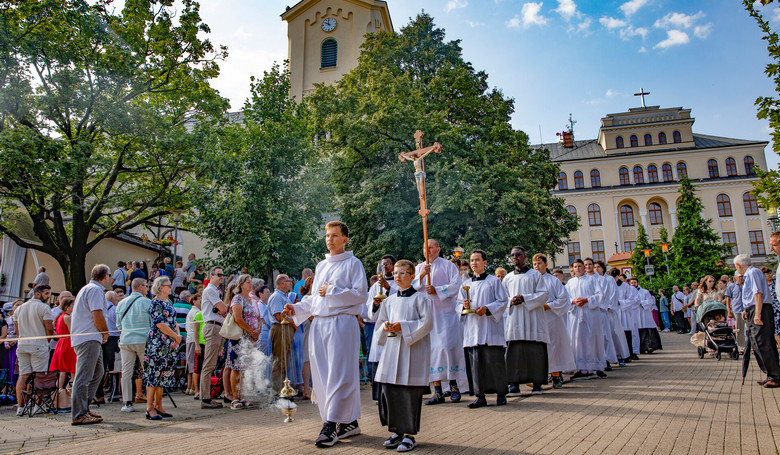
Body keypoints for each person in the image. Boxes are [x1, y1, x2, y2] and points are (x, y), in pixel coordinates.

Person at [283, 221, 368, 448]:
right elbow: (315, 298)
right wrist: (297, 308)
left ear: (344, 239)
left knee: (339, 375)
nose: (329, 239)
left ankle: (330, 425)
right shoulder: (321, 266)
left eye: (334, 235)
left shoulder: (353, 263)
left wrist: (331, 291)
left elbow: (360, 295)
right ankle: (348, 421)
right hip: (320, 324)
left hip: (342, 324)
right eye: (327, 236)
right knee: (321, 375)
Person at [372, 259, 433, 452]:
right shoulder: (389, 300)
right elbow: (380, 323)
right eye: (395, 273)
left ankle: (409, 435)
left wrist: (404, 326)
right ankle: (396, 431)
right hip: (391, 350)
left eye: (402, 273)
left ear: (412, 276)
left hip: (411, 351)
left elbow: (427, 324)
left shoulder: (420, 299)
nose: (397, 277)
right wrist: (387, 326)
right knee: (390, 391)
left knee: (408, 393)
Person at [411, 239, 465, 405]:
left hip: (444, 313)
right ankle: (438, 390)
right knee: (432, 351)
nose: (427, 250)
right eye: (425, 248)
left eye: (431, 247)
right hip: (427, 313)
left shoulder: (448, 265)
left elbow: (456, 285)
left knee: (447, 348)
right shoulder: (420, 267)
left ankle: (454, 387)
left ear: (438, 249)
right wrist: (421, 275)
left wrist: (438, 290)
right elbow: (412, 287)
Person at [458, 250, 509, 407]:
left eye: (477, 260)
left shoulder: (494, 281)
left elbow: (502, 301)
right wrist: (463, 306)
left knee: (494, 362)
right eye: (472, 260)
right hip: (472, 328)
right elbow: (458, 304)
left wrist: (487, 309)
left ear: (485, 262)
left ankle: (501, 394)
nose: (474, 263)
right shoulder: (465, 284)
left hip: (489, 327)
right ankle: (480, 395)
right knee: (476, 364)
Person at [502, 246, 549, 394]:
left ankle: (537, 384)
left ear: (525, 256)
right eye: (513, 255)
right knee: (514, 354)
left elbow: (544, 294)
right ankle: (514, 384)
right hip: (514, 320)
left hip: (532, 319)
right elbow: (502, 299)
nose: (515, 257)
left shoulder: (535, 275)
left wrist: (525, 298)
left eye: (518, 255)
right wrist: (511, 300)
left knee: (535, 353)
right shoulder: (508, 278)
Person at [70, 264, 110, 425]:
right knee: (84, 375)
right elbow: (97, 313)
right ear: (106, 276)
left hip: (89, 337)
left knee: (98, 372)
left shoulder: (87, 288)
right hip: (88, 337)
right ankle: (79, 413)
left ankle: (84, 408)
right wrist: (105, 331)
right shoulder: (95, 290)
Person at [734, 254, 780, 388]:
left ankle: (775, 376)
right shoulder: (751, 273)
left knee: (763, 343)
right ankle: (771, 374)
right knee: (756, 343)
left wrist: (757, 314)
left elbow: (758, 293)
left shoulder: (753, 273)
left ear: (738, 266)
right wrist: (746, 310)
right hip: (753, 309)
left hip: (760, 309)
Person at [534, 254, 575, 388]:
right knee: (538, 348)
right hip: (536, 319)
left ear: (546, 265)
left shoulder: (553, 281)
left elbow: (563, 299)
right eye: (534, 264)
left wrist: (548, 306)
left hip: (552, 318)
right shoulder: (530, 281)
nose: (537, 266)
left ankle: (556, 375)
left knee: (554, 348)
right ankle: (538, 377)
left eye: (539, 263)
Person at [14, 284, 55, 415]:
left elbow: (17, 331)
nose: (48, 297)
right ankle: (37, 406)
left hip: (23, 344)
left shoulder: (19, 309)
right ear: (38, 294)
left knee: (23, 375)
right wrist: (47, 339)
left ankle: (21, 407)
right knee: (39, 376)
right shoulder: (44, 308)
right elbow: (49, 329)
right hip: (39, 345)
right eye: (46, 293)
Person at [143, 276, 181, 420]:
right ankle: (149, 407)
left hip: (170, 343)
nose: (171, 287)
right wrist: (175, 336)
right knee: (153, 374)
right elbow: (160, 324)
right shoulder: (155, 303)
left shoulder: (169, 302)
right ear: (160, 287)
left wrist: (177, 336)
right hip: (157, 343)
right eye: (169, 285)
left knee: (164, 374)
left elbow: (173, 321)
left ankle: (158, 405)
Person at [116, 278, 152, 412]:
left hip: (126, 340)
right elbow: (152, 322)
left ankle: (127, 402)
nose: (148, 288)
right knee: (148, 370)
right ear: (140, 287)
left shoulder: (121, 303)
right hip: (143, 339)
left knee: (126, 372)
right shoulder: (147, 302)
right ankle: (150, 401)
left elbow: (118, 325)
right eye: (146, 286)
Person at [566, 259, 606, 379]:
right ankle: (581, 368)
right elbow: (565, 297)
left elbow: (600, 296)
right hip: (576, 314)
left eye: (580, 266)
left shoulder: (592, 280)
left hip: (590, 313)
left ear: (584, 268)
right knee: (577, 339)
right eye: (575, 266)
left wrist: (587, 300)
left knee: (592, 338)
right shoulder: (570, 282)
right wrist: (573, 301)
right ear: (572, 269)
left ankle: (597, 366)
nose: (577, 269)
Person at [225, 274, 261, 410]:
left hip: (251, 337)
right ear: (241, 285)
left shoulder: (252, 299)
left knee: (245, 368)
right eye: (247, 282)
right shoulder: (237, 298)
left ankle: (242, 395)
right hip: (239, 337)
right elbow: (238, 318)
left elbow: (258, 317)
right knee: (236, 367)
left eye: (251, 281)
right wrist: (251, 331)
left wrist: (257, 330)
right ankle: (235, 397)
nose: (250, 284)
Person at [364, 255, 398, 395]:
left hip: (395, 326)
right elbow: (369, 311)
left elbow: (402, 299)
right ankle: (380, 395)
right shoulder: (375, 287)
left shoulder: (399, 282)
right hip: (380, 326)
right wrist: (375, 304)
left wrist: (389, 289)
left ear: (394, 265)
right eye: (383, 264)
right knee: (380, 360)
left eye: (388, 264)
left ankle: (395, 393)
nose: (385, 267)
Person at [199, 266, 227, 409]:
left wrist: (222, 309)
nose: (221, 277)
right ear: (211, 276)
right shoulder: (210, 290)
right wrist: (222, 309)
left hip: (216, 326)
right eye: (219, 275)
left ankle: (207, 396)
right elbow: (223, 309)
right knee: (209, 363)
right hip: (212, 326)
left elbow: (222, 309)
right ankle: (205, 397)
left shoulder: (215, 291)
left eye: (222, 275)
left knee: (211, 362)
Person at [586, 258, 618, 369]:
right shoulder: (584, 279)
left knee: (604, 336)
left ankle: (606, 359)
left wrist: (600, 305)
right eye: (587, 265)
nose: (589, 267)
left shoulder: (601, 279)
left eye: (591, 264)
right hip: (588, 311)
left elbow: (604, 295)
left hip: (600, 310)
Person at [268, 274, 296, 391]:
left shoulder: (285, 296)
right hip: (280, 329)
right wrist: (293, 322)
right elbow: (279, 316)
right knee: (279, 360)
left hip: (286, 329)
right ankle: (277, 390)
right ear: (282, 283)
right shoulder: (276, 297)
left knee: (284, 360)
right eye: (289, 281)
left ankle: (284, 388)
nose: (290, 283)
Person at [93, 289, 122, 404]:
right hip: (113, 340)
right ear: (112, 299)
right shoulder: (115, 309)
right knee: (114, 367)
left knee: (101, 368)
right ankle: (114, 394)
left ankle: (99, 394)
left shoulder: (100, 310)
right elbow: (119, 325)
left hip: (101, 339)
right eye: (116, 298)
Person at [50, 296, 77, 390]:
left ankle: (59, 392)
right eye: (73, 304)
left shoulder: (60, 317)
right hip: (68, 344)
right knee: (73, 370)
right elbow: (72, 332)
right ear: (67, 306)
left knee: (63, 371)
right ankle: (70, 393)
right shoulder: (67, 317)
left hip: (61, 344)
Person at [632, 278, 662, 354]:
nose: (633, 284)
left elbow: (650, 301)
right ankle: (639, 348)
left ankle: (648, 346)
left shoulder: (644, 292)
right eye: (632, 283)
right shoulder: (629, 292)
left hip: (644, 313)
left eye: (635, 282)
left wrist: (639, 302)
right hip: (635, 313)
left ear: (638, 283)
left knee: (647, 330)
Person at [616, 273, 639, 361]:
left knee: (627, 334)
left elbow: (631, 300)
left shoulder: (626, 287)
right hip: (614, 312)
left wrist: (620, 303)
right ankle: (618, 355)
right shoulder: (610, 285)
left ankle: (629, 354)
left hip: (624, 313)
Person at [184, 292, 201, 396]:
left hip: (189, 339)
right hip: (193, 339)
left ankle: (190, 386)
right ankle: (192, 387)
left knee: (190, 363)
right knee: (193, 364)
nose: (201, 302)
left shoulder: (192, 311)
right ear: (194, 301)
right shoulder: (196, 312)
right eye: (199, 300)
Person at [191, 294, 206, 399]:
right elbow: (195, 332)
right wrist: (197, 345)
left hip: (209, 343)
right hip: (200, 343)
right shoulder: (199, 315)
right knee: (197, 368)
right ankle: (196, 390)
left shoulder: (209, 314)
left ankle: (204, 390)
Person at [725, 272, 745, 349]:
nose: (741, 278)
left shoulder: (746, 285)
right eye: (739, 276)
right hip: (737, 310)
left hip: (746, 310)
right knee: (739, 329)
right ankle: (740, 346)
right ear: (735, 277)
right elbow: (728, 300)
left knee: (748, 329)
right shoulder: (731, 287)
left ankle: (750, 347)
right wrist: (729, 311)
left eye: (742, 276)